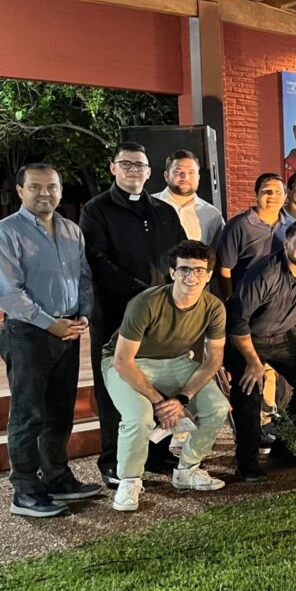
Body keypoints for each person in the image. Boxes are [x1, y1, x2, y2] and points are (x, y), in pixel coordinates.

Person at [80, 142, 187, 489]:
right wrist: (146, 295)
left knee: (158, 381)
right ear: (113, 168)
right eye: (126, 164)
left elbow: (181, 256)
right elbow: (97, 260)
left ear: (149, 172)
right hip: (116, 316)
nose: (133, 171)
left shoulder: (164, 211)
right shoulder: (96, 210)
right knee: (114, 387)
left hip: (161, 318)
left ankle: (155, 453)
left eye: (139, 165)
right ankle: (112, 460)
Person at [0, 163, 100, 518]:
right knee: (28, 414)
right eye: (36, 187)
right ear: (20, 190)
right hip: (28, 333)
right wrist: (50, 324)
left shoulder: (72, 230)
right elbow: (9, 292)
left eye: (52, 186)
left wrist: (84, 313)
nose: (45, 193)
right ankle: (25, 490)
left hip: (68, 331)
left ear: (60, 190)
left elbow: (83, 277)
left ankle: (56, 476)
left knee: (60, 411)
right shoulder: (7, 232)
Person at [103, 241, 229, 512]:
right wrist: (161, 403)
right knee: (139, 416)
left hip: (176, 361)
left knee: (218, 407)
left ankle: (187, 470)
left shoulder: (214, 307)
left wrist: (182, 398)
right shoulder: (146, 302)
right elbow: (122, 360)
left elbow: (213, 359)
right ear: (172, 272)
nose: (191, 277)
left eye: (199, 270)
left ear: (209, 275)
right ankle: (129, 480)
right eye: (184, 269)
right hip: (129, 362)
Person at [224, 220, 296, 481]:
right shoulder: (265, 272)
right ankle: (247, 462)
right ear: (286, 243)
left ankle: (284, 447)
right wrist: (253, 362)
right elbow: (238, 320)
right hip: (246, 338)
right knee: (249, 393)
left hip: (283, 336)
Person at [215, 173, 284, 300]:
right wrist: (231, 300)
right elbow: (224, 269)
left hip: (278, 301)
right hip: (246, 299)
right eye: (266, 191)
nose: (272, 195)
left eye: (278, 192)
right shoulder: (238, 225)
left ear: (285, 196)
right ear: (256, 195)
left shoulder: (291, 227)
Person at [152, 149, 224, 246]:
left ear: (198, 177)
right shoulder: (148, 206)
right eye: (178, 171)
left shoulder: (212, 215)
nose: (185, 177)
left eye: (191, 172)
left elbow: (219, 251)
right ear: (166, 175)